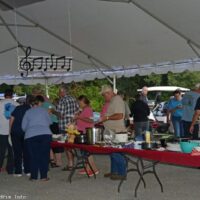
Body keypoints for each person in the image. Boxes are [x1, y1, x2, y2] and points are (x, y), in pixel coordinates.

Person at [22, 96, 52, 181]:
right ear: (39, 103)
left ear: (31, 104)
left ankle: (34, 177)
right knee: (44, 155)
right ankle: (44, 176)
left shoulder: (27, 112)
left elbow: (23, 127)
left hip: (31, 135)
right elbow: (50, 122)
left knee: (33, 156)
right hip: (45, 134)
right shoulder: (44, 110)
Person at [100, 85, 126, 180]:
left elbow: (119, 115)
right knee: (112, 152)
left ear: (109, 93)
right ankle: (114, 171)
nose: (104, 97)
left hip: (117, 132)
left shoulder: (117, 100)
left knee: (116, 153)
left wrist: (106, 118)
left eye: (104, 95)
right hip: (112, 132)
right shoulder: (113, 101)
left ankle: (122, 173)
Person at [74, 95, 99, 176]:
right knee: (84, 152)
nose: (78, 103)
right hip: (82, 132)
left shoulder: (88, 109)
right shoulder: (83, 109)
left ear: (83, 101)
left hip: (86, 132)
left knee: (86, 152)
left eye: (79, 102)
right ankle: (87, 168)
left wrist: (79, 118)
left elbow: (90, 120)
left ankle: (94, 169)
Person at [9, 95, 34, 176]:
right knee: (27, 151)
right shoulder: (31, 110)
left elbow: (12, 119)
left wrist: (10, 130)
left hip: (15, 132)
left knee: (17, 152)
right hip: (26, 132)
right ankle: (28, 170)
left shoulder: (18, 108)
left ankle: (18, 171)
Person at [57, 86, 79, 171]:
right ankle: (72, 163)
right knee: (71, 145)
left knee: (67, 146)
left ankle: (70, 164)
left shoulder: (62, 100)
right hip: (73, 125)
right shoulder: (73, 99)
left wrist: (53, 111)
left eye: (59, 92)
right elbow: (78, 110)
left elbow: (61, 115)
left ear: (63, 92)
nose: (58, 93)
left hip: (64, 126)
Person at [0, 89, 18, 174]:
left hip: (1, 130)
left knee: (1, 150)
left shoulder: (0, 103)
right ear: (12, 95)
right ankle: (10, 169)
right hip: (12, 130)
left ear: (4, 95)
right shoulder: (16, 104)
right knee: (12, 150)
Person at [42, 100, 64, 167]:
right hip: (52, 124)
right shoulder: (46, 104)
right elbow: (57, 114)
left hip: (52, 124)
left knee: (55, 142)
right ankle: (54, 160)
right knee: (54, 142)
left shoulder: (45, 104)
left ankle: (54, 161)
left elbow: (56, 113)